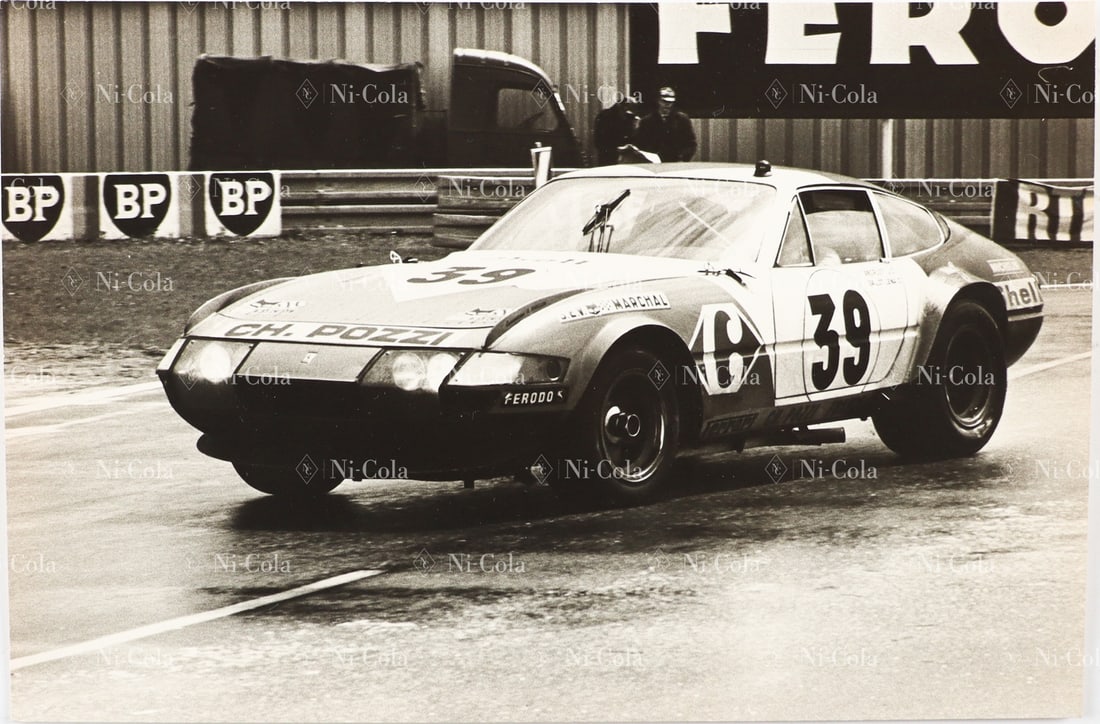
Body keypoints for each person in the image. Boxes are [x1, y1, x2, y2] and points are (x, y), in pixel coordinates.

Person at [636, 87, 697, 162]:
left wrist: (682, 159)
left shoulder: (682, 120)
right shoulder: (646, 121)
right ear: (658, 101)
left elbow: (691, 144)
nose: (667, 104)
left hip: (676, 162)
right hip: (653, 163)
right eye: (664, 101)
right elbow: (640, 144)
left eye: (670, 102)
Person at [592, 101, 639, 166]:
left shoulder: (628, 117)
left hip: (622, 157)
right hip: (610, 156)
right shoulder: (605, 116)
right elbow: (600, 141)